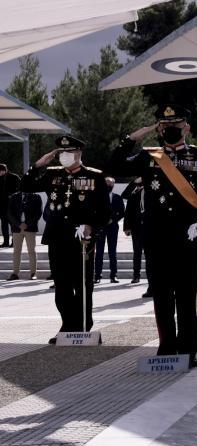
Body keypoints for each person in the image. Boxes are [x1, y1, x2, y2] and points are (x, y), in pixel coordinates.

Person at [110, 105, 197, 367]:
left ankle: (187, 351)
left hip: (187, 236)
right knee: (162, 297)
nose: (170, 129)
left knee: (186, 298)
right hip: (156, 237)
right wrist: (134, 137)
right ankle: (166, 348)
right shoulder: (148, 156)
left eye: (175, 124)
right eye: (164, 126)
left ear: (186, 127)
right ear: (159, 129)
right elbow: (113, 165)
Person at [20, 136, 110, 342]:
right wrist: (37, 165)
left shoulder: (94, 176)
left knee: (82, 285)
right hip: (57, 238)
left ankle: (83, 326)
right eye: (61, 153)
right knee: (61, 286)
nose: (64, 156)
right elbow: (25, 186)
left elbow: (105, 212)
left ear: (78, 153)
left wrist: (91, 226)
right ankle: (67, 326)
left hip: (81, 240)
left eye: (68, 152)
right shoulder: (53, 174)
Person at [94, 177, 125, 284]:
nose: (109, 185)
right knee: (99, 252)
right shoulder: (98, 197)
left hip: (113, 227)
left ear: (113, 185)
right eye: (107, 183)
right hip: (101, 227)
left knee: (112, 252)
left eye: (110, 184)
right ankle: (97, 275)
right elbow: (94, 211)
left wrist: (113, 219)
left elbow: (122, 212)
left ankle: (113, 275)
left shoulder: (118, 198)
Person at [122, 178, 150, 293]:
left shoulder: (149, 192)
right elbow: (127, 211)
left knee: (149, 254)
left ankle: (150, 278)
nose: (138, 186)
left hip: (148, 228)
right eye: (137, 185)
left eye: (140, 185)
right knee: (137, 253)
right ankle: (136, 275)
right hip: (136, 228)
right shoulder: (133, 194)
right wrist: (126, 227)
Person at [6, 190, 42, 280]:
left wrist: (27, 224)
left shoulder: (36, 197)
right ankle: (15, 273)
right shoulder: (13, 197)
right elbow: (9, 213)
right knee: (16, 251)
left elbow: (38, 213)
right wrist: (18, 224)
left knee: (31, 251)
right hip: (17, 228)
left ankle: (33, 273)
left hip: (30, 228)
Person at [0, 163, 22, 248]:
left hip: (12, 205)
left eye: (1, 171)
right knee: (4, 224)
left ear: (5, 170)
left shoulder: (14, 177)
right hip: (2, 206)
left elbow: (21, 188)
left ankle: (15, 242)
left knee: (14, 224)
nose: (0, 173)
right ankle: (6, 242)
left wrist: (13, 196)